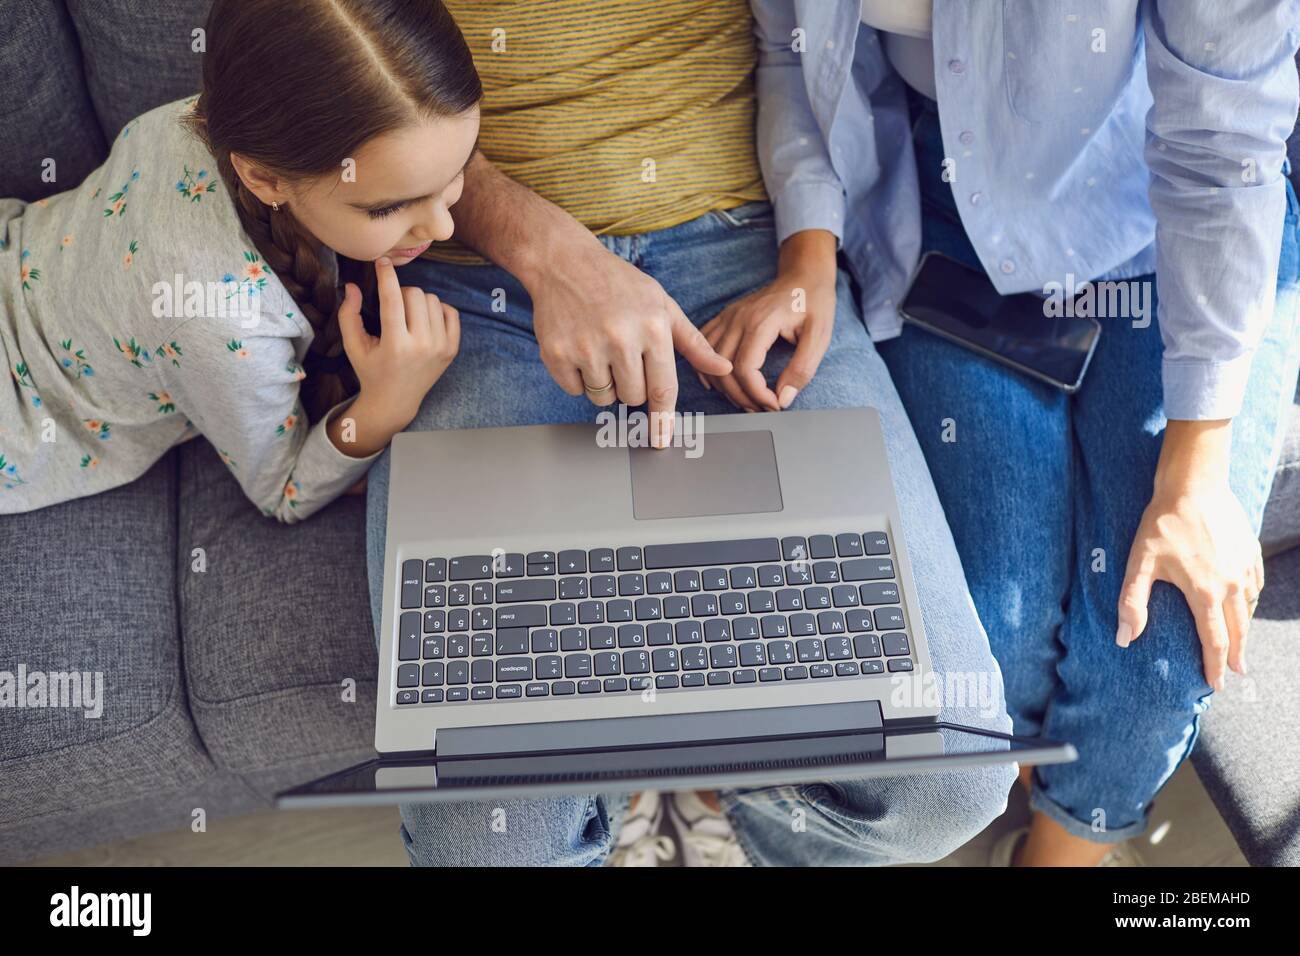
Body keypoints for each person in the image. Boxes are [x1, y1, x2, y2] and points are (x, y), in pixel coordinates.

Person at [365, 0, 1015, 867]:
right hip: (464, 283)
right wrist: (549, 251)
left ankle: (727, 801)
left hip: (738, 249)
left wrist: (805, 257)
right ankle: (616, 800)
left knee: (949, 776)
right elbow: (331, 80)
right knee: (488, 846)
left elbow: (798, 44)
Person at [748, 0, 1300, 865]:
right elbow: (792, 48)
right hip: (938, 215)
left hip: (1175, 210)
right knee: (987, 646)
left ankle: (1057, 848)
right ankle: (1005, 798)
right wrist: (807, 252)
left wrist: (1194, 475)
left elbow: (1222, 149)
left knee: (1156, 650)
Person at [0, 0, 477, 520]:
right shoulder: (219, 318)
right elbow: (283, 493)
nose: (445, 227)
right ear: (265, 180)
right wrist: (388, 402)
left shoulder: (218, 118)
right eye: (388, 206)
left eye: (458, 168)